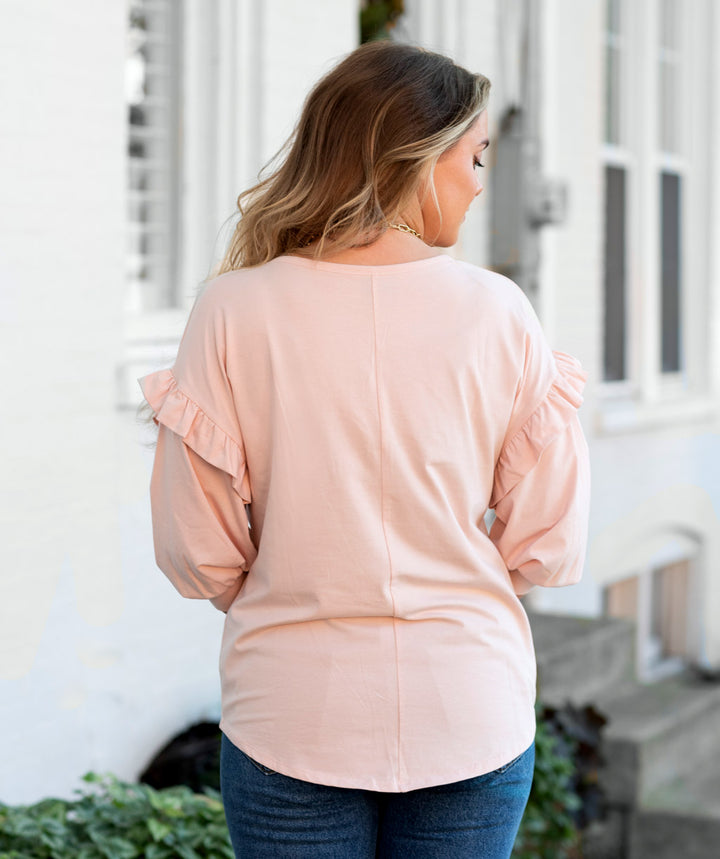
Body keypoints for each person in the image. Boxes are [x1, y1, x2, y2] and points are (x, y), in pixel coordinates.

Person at [140, 40, 590, 859]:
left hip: (292, 706)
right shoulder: (498, 311)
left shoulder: (233, 309)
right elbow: (547, 541)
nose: (479, 183)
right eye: (475, 156)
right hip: (468, 701)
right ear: (414, 160)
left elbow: (199, 551)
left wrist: (295, 593)